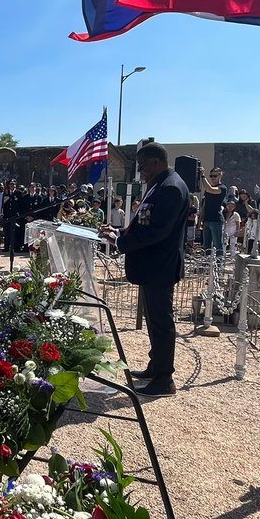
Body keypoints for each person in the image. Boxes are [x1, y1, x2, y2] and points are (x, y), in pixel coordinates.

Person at [115, 143, 190, 398]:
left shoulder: (171, 188)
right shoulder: (160, 183)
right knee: (154, 320)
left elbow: (157, 231)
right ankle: (155, 366)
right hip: (152, 265)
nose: (140, 171)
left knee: (161, 323)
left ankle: (164, 379)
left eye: (143, 165)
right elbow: (144, 221)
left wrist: (121, 242)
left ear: (156, 162)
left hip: (160, 265)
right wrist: (120, 233)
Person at [198, 167, 225, 257]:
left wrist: (203, 176)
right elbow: (205, 205)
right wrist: (200, 219)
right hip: (207, 220)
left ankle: (219, 265)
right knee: (206, 245)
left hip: (216, 220)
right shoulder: (208, 188)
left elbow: (210, 189)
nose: (213, 178)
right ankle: (206, 264)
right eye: (211, 176)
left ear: (220, 176)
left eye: (215, 176)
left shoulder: (222, 188)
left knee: (218, 244)